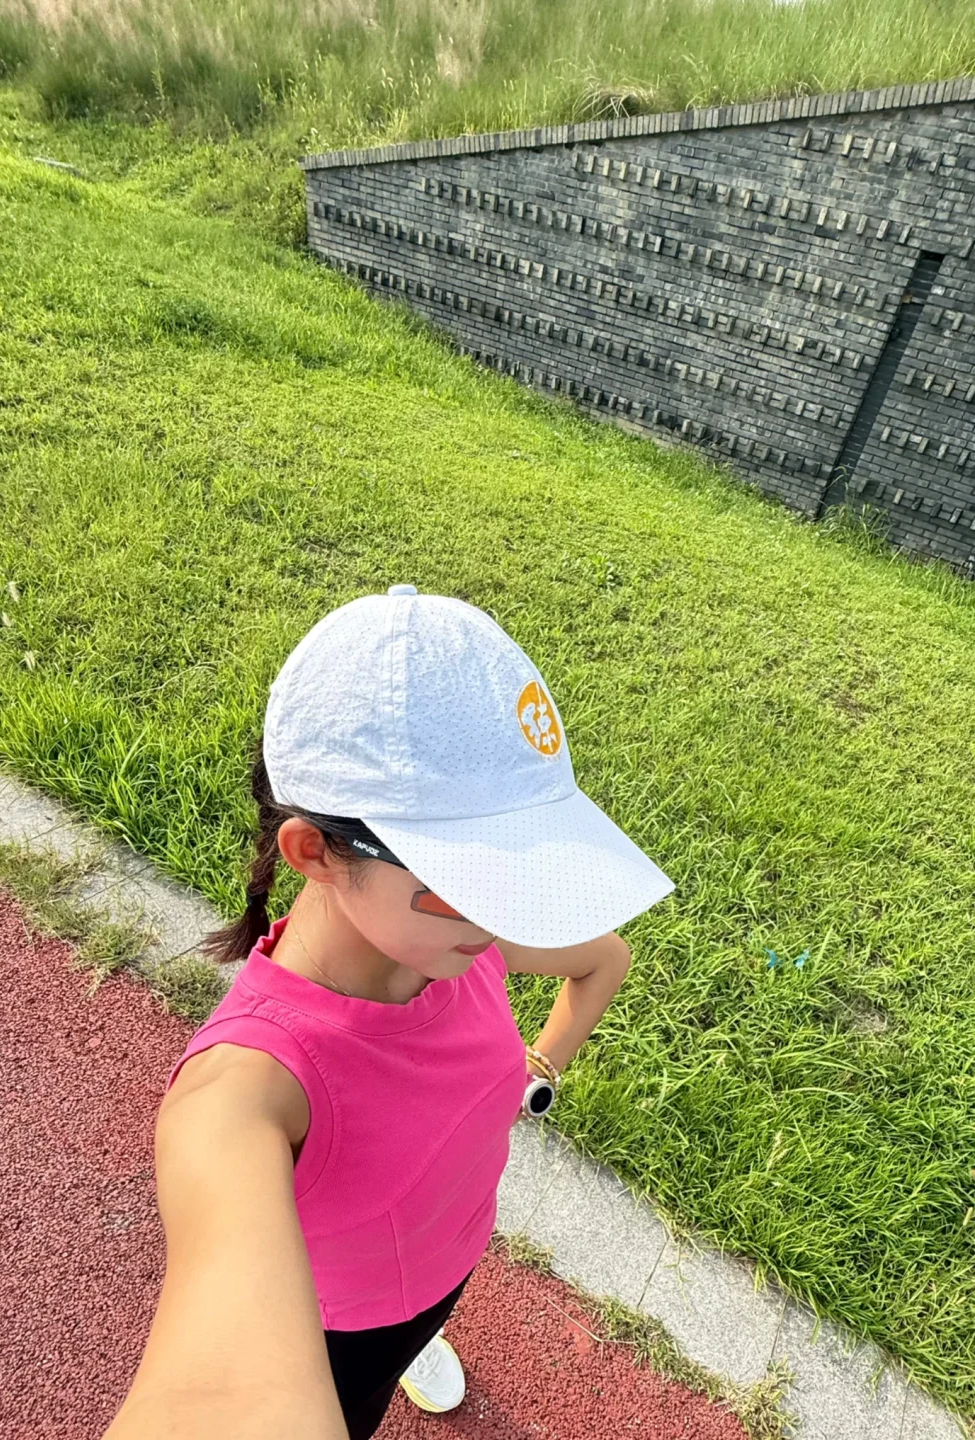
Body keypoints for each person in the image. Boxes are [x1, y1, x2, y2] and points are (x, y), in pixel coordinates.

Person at [102, 585, 674, 1440]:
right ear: (315, 852)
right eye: (468, 875)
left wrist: (535, 1075)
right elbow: (219, 1402)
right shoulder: (245, 1090)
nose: (504, 908)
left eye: (521, 870)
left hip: (449, 1267)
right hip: (339, 1336)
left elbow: (604, 959)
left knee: (416, 1328)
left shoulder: (456, 943)